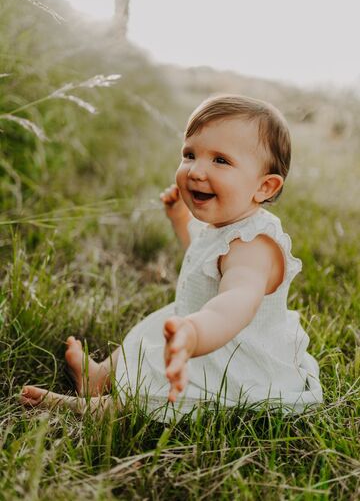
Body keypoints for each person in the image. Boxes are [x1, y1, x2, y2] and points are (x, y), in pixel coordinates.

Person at [20, 94, 323, 419]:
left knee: (160, 388)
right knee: (145, 337)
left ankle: (100, 409)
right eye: (190, 154)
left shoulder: (254, 246)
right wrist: (181, 218)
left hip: (232, 356)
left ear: (264, 187)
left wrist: (194, 333)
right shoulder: (225, 223)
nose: (196, 171)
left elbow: (237, 300)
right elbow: (201, 248)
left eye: (220, 160)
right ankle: (98, 377)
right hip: (195, 327)